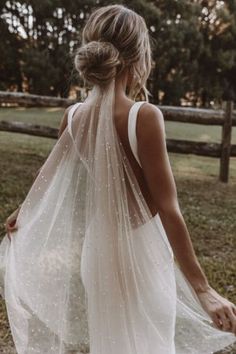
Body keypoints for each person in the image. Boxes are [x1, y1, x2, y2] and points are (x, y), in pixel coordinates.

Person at [1, 4, 236, 354]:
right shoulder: (144, 116)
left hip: (97, 253)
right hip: (141, 250)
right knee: (151, 343)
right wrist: (202, 289)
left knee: (110, 343)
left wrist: (23, 212)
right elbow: (169, 210)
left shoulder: (74, 116)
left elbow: (46, 175)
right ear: (139, 58)